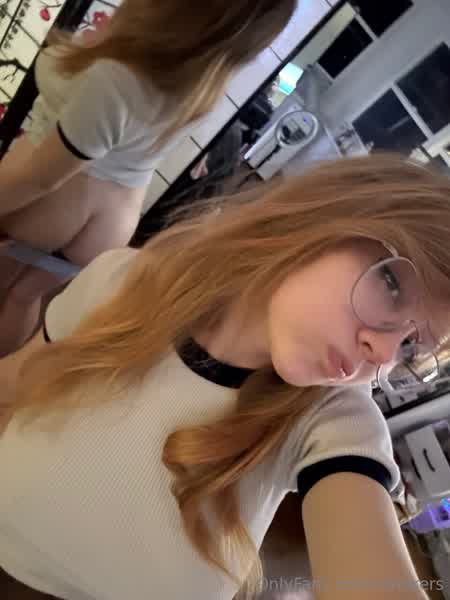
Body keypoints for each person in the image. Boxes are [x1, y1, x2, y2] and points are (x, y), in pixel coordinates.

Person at [1, 155, 449, 600]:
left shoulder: (333, 423)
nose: (385, 354)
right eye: (392, 286)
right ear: (325, 215)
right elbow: (12, 384)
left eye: (411, 346)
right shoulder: (122, 282)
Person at [0, 0, 296, 357]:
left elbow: (41, 178)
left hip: (56, 206)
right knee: (22, 297)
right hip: (112, 222)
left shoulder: (118, 76)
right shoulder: (199, 90)